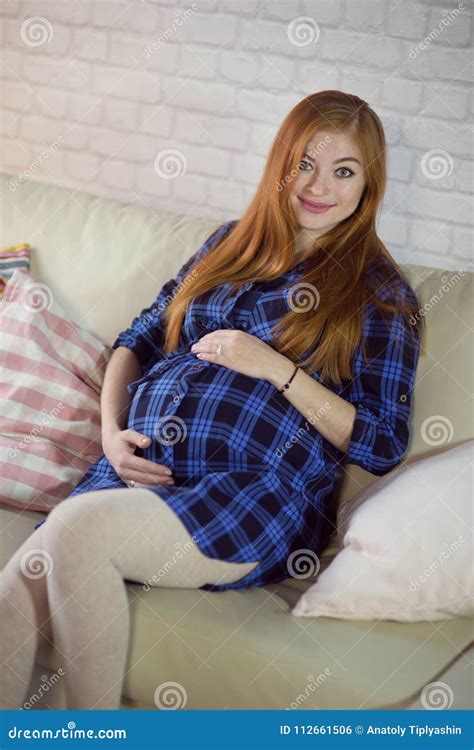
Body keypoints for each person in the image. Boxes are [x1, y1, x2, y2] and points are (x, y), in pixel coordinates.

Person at [0, 91, 424, 710]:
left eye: (344, 170)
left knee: (76, 532)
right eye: (305, 162)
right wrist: (111, 433)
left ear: (370, 183)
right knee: (12, 597)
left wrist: (275, 368)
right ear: (281, 163)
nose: (319, 186)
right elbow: (138, 338)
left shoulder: (381, 298)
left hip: (253, 492)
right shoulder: (230, 244)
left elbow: (382, 443)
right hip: (141, 471)